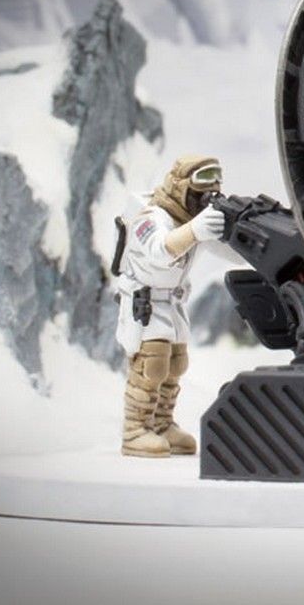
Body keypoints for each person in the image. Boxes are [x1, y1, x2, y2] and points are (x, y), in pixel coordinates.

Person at [115, 155, 230, 458]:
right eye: (201, 183)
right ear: (180, 186)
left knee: (176, 363)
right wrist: (195, 231)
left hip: (173, 301)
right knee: (150, 364)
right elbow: (159, 250)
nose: (207, 193)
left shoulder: (191, 220)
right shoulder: (151, 216)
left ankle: (162, 423)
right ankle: (135, 430)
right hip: (145, 301)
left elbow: (228, 250)